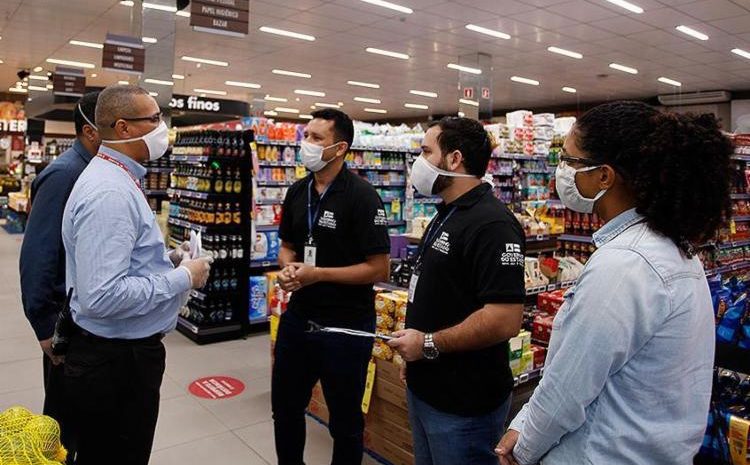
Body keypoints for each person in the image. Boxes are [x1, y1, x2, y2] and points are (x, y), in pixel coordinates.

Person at [496, 101, 732, 465]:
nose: (561, 171)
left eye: (569, 160)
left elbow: (567, 390)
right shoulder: (671, 248)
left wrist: (522, 449)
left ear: (604, 176)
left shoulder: (624, 264)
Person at [60, 85, 212, 465]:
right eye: (155, 119)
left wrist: (167, 260)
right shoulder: (109, 192)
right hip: (115, 363)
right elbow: (102, 296)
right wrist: (184, 278)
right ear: (124, 127)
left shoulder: (118, 177)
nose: (163, 128)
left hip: (116, 358)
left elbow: (119, 262)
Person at [387, 116, 526, 465]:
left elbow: (505, 319)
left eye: (425, 152)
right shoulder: (447, 212)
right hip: (427, 385)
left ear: (454, 159)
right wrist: (417, 359)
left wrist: (427, 343)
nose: (418, 162)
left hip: (464, 404)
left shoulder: (493, 224)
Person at [272, 108, 391, 465]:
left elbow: (378, 268)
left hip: (346, 326)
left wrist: (318, 274)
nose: (306, 144)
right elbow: (287, 246)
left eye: (316, 138)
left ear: (339, 148)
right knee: (285, 409)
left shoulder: (363, 196)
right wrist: (288, 269)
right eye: (305, 136)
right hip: (299, 318)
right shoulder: (298, 191)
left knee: (345, 422)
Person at [19, 91, 100, 445]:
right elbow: (37, 256)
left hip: (87, 329)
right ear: (91, 130)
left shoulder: (93, 171)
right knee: (64, 433)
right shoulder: (65, 175)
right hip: (66, 332)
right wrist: (46, 330)